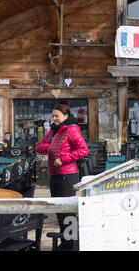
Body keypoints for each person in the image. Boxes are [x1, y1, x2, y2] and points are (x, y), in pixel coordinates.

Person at [36, 104, 88, 250]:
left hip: (68, 175)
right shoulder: (53, 130)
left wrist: (64, 158)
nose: (54, 119)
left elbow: (83, 150)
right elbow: (39, 146)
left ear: (65, 116)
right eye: (53, 116)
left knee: (68, 211)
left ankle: (72, 244)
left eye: (56, 116)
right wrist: (54, 147)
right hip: (54, 175)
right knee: (59, 211)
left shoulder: (72, 129)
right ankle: (65, 243)